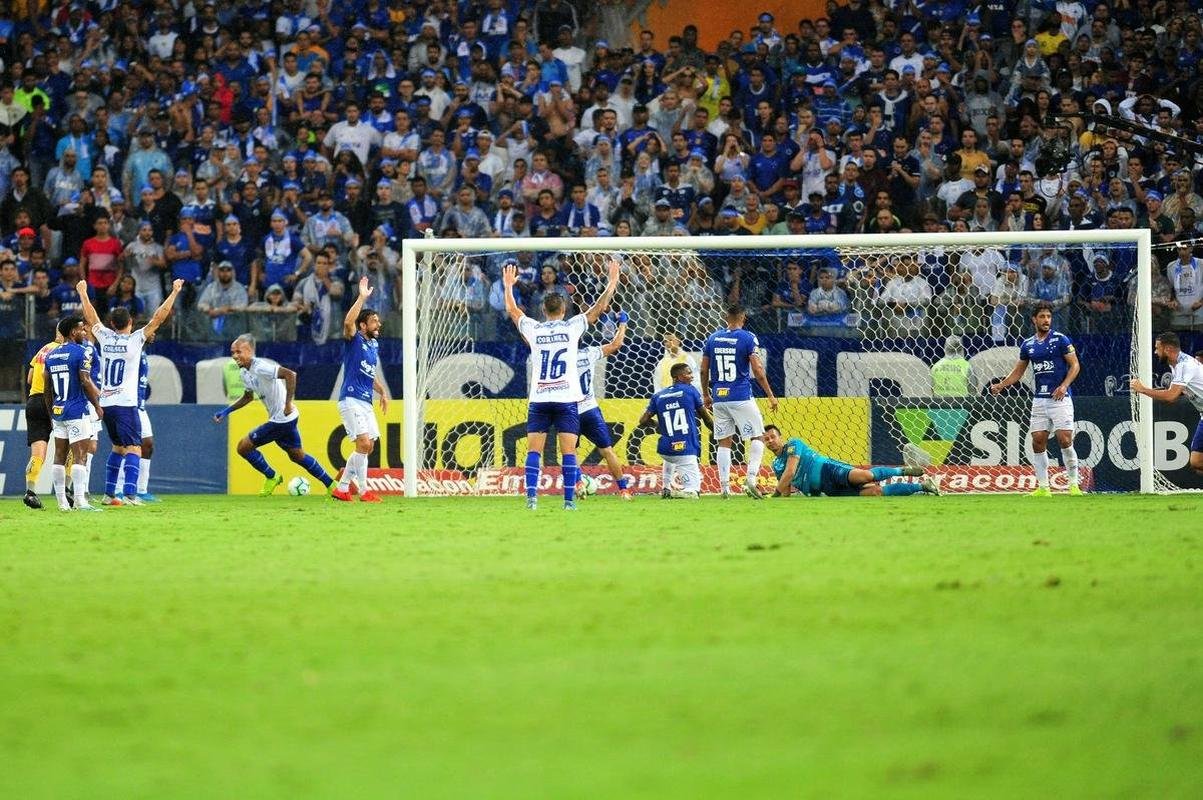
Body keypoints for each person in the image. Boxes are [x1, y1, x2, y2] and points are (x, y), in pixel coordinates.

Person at [501, 257, 620, 510]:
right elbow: (597, 310)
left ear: (544, 312)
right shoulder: (572, 327)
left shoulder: (534, 329)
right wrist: (611, 282)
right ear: (564, 310)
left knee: (534, 451)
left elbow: (513, 311)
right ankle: (568, 503)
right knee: (569, 453)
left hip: (540, 399)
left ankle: (532, 499)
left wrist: (508, 285)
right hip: (567, 399)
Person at [75, 277, 185, 506]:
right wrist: (174, 292)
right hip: (125, 403)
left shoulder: (104, 337)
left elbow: (91, 316)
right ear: (130, 322)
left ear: (112, 324)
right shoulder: (135, 340)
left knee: (117, 447)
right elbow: (159, 317)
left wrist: (83, 294)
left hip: (105, 403)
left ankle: (109, 494)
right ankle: (131, 495)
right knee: (134, 447)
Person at [212, 334, 335, 496]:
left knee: (243, 447)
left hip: (282, 419)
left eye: (238, 352)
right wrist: (226, 411)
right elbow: (248, 397)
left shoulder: (261, 367)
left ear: (249, 351)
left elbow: (290, 374)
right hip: (284, 419)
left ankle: (272, 476)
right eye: (232, 352)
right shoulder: (244, 373)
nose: (235, 356)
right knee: (297, 455)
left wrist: (288, 403)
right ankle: (332, 485)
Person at [989, 303, 1083, 496]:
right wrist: (1001, 385)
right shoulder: (1028, 344)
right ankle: (1043, 488)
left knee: (1065, 440)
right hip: (1039, 400)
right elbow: (1018, 372)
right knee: (1038, 441)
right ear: (1034, 319)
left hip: (1060, 398)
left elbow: (1075, 366)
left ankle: (1074, 485)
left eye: (1049, 316)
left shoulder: (1061, 340)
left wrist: (1064, 386)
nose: (1046, 320)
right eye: (1042, 316)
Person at [699, 303, 779, 499]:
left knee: (724, 443)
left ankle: (724, 488)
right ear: (743, 317)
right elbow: (758, 369)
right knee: (758, 436)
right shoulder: (748, 337)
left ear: (726, 318)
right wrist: (770, 394)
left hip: (719, 397)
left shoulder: (713, 338)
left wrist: (706, 394)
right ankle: (751, 480)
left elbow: (703, 370)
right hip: (741, 396)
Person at [331, 277, 389, 503]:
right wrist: (362, 298)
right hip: (351, 399)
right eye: (374, 321)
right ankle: (361, 491)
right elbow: (347, 323)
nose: (379, 324)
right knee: (364, 444)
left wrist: (382, 390)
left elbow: (368, 373)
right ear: (363, 325)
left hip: (366, 402)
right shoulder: (354, 340)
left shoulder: (374, 345)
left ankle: (344, 488)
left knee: (369, 446)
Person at [763, 425, 939, 497]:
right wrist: (779, 495)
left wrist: (774, 495)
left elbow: (791, 472)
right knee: (875, 493)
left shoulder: (793, 444)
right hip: (826, 489)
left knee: (865, 476)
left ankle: (902, 470)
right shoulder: (776, 465)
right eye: (767, 439)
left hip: (827, 469)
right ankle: (923, 486)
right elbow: (785, 489)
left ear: (781, 437)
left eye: (773, 437)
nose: (770, 441)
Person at [44, 316, 103, 512]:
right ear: (72, 332)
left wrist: (51, 412)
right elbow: (85, 381)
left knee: (59, 456)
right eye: (81, 330)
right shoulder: (81, 352)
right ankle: (79, 501)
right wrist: (97, 405)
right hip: (77, 409)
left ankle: (62, 503)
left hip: (58, 410)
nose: (84, 333)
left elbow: (47, 388)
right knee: (81, 456)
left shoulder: (51, 356)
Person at [574, 310, 632, 500]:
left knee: (569, 452)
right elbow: (616, 345)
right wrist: (622, 323)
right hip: (590, 409)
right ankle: (623, 490)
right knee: (607, 450)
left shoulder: (562, 357)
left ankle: (578, 484)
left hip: (569, 411)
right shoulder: (589, 353)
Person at [1130, 332, 1203, 476]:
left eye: (1158, 348)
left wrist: (1143, 389)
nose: (1155, 352)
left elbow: (1170, 396)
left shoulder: (1184, 365)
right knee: (1197, 462)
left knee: (1197, 461)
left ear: (1168, 349)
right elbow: (1173, 394)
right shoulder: (1176, 365)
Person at [638, 362, 713, 499]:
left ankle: (666, 487)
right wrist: (719, 433)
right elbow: (706, 419)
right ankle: (675, 492)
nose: (692, 377)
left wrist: (659, 426)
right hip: (685, 451)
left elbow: (643, 421)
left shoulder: (658, 396)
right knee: (693, 492)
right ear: (678, 377)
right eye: (688, 373)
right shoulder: (691, 391)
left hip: (665, 450)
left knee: (672, 457)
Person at [22, 329, 66, 509]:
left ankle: (30, 492)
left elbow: (30, 379)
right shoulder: (64, 352)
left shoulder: (42, 349)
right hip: (52, 401)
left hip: (33, 401)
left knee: (37, 454)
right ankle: (69, 492)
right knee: (70, 446)